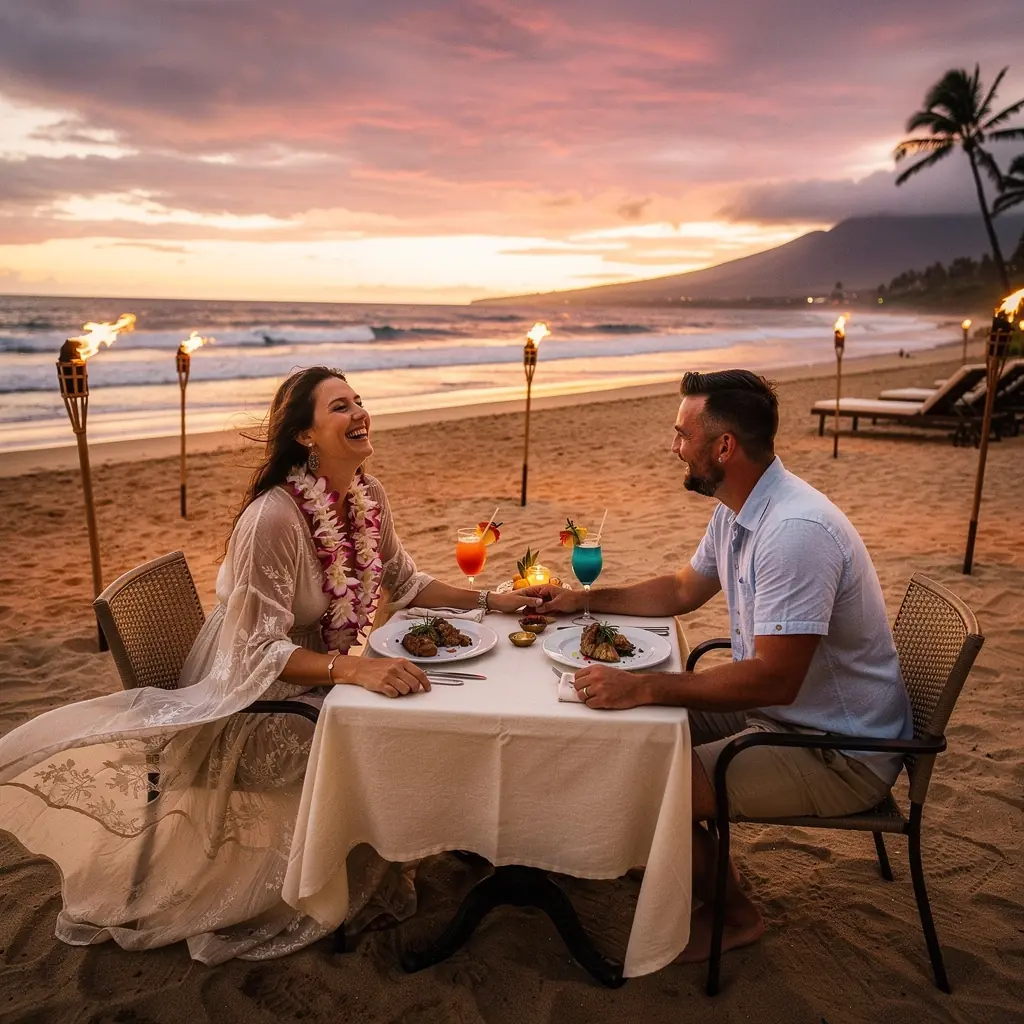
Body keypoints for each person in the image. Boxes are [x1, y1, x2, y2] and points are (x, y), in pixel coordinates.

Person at [0, 366, 537, 965]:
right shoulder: (274, 518)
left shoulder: (367, 493)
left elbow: (404, 581)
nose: (360, 412)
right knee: (386, 726)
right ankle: (359, 873)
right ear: (305, 436)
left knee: (423, 699)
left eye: (359, 401)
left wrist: (496, 601)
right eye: (340, 406)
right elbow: (258, 652)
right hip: (246, 697)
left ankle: (447, 831)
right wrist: (353, 670)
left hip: (311, 669)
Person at [523, 369, 912, 963]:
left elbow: (773, 678)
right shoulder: (740, 508)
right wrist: (583, 599)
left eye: (682, 433)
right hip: (782, 715)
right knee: (613, 741)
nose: (673, 445)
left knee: (640, 781)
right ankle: (674, 855)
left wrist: (645, 687)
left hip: (835, 748)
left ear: (723, 446)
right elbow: (682, 589)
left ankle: (735, 915)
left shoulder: (793, 531)